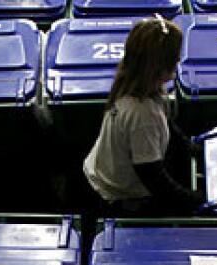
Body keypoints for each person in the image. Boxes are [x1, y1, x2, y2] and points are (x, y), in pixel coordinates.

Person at [82, 15, 202, 217]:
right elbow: (153, 177)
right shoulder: (143, 116)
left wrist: (193, 149)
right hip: (120, 198)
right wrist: (195, 200)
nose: (179, 60)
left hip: (103, 172)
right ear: (160, 67)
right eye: (175, 57)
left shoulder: (133, 84)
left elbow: (168, 124)